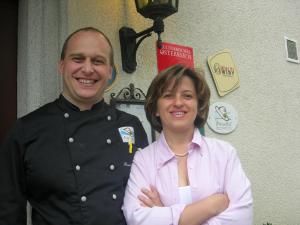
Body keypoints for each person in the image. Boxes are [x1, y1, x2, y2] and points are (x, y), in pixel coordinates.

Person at [0, 27, 148, 225]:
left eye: (98, 61)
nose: (87, 69)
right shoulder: (26, 130)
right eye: (78, 59)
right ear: (62, 66)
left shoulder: (131, 126)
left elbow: (148, 199)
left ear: (110, 71)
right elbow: (7, 210)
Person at [122, 64, 253, 225]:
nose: (178, 102)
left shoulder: (224, 153)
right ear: (156, 108)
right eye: (168, 95)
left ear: (198, 106)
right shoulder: (144, 159)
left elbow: (242, 218)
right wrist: (211, 206)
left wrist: (162, 211)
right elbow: (136, 218)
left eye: (187, 96)